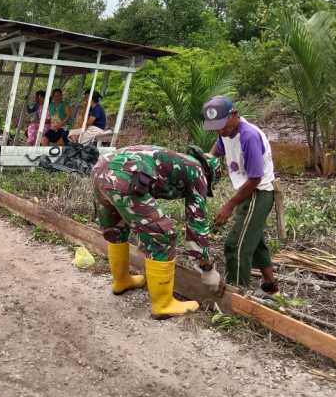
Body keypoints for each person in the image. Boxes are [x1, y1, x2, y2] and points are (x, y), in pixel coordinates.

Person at [92, 145, 222, 318]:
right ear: (210, 173)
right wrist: (206, 268)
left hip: (101, 168)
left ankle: (121, 280)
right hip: (125, 176)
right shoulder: (198, 172)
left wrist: (144, 229)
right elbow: (197, 225)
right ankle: (163, 304)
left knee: (117, 229)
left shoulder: (178, 158)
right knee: (163, 236)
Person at [203, 96, 278, 294]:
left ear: (234, 115)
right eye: (216, 127)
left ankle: (236, 297)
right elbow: (218, 149)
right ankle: (271, 286)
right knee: (254, 238)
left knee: (236, 246)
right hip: (247, 191)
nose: (220, 131)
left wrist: (229, 206)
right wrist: (206, 161)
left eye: (222, 125)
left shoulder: (249, 136)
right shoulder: (226, 132)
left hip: (258, 192)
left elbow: (255, 178)